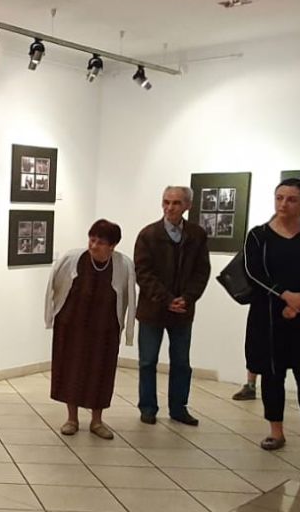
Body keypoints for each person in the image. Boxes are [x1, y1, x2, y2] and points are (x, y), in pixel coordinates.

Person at [243, 179, 300, 468]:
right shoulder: (258, 235)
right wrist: (285, 297)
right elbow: (253, 272)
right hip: (270, 315)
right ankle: (276, 431)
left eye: (292, 199)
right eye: (279, 198)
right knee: (273, 374)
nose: (284, 204)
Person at [47, 220, 139, 438]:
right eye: (92, 239)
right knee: (71, 370)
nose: (94, 245)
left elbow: (129, 298)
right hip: (72, 325)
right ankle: (72, 418)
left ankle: (97, 421)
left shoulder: (123, 265)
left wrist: (126, 330)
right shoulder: (72, 259)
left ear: (112, 246)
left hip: (104, 329)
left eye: (100, 242)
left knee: (101, 372)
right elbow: (54, 287)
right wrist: (51, 316)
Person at [131, 186, 211, 426]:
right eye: (166, 202)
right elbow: (143, 273)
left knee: (181, 363)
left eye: (176, 203)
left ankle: (178, 408)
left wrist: (187, 298)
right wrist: (167, 299)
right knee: (147, 361)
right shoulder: (148, 234)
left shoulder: (196, 235)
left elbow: (202, 271)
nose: (170, 207)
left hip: (183, 311)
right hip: (152, 310)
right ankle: (147, 407)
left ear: (187, 206)